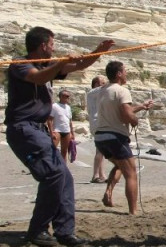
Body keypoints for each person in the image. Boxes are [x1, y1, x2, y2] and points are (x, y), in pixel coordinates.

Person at [4, 26, 113, 247]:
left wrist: (97, 51)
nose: (54, 49)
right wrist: (60, 63)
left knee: (65, 178)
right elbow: (37, 78)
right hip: (23, 129)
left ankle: (65, 232)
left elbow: (80, 65)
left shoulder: (48, 64)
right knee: (53, 175)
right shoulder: (20, 64)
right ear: (43, 45)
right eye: (52, 44)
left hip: (37, 129)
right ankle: (38, 231)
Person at [94, 61, 154, 215]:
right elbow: (126, 114)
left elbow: (120, 109)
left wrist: (140, 106)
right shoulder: (122, 91)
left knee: (121, 165)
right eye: (125, 71)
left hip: (100, 137)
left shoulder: (103, 90)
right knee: (131, 173)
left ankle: (108, 192)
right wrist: (135, 120)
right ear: (119, 74)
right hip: (116, 137)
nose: (126, 73)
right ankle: (133, 210)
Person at [86, 76, 108, 183]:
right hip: (97, 123)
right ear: (96, 84)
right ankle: (95, 175)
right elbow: (104, 89)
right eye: (102, 83)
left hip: (99, 122)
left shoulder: (98, 95)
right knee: (100, 150)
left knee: (101, 150)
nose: (104, 84)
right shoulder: (92, 93)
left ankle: (101, 174)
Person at [50, 90, 75, 162]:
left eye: (68, 96)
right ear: (60, 97)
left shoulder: (68, 107)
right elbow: (49, 120)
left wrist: (72, 133)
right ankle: (51, 166)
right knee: (52, 150)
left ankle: (64, 168)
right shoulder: (54, 106)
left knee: (64, 151)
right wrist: (51, 132)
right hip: (57, 130)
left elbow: (70, 121)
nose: (68, 98)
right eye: (66, 96)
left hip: (66, 131)